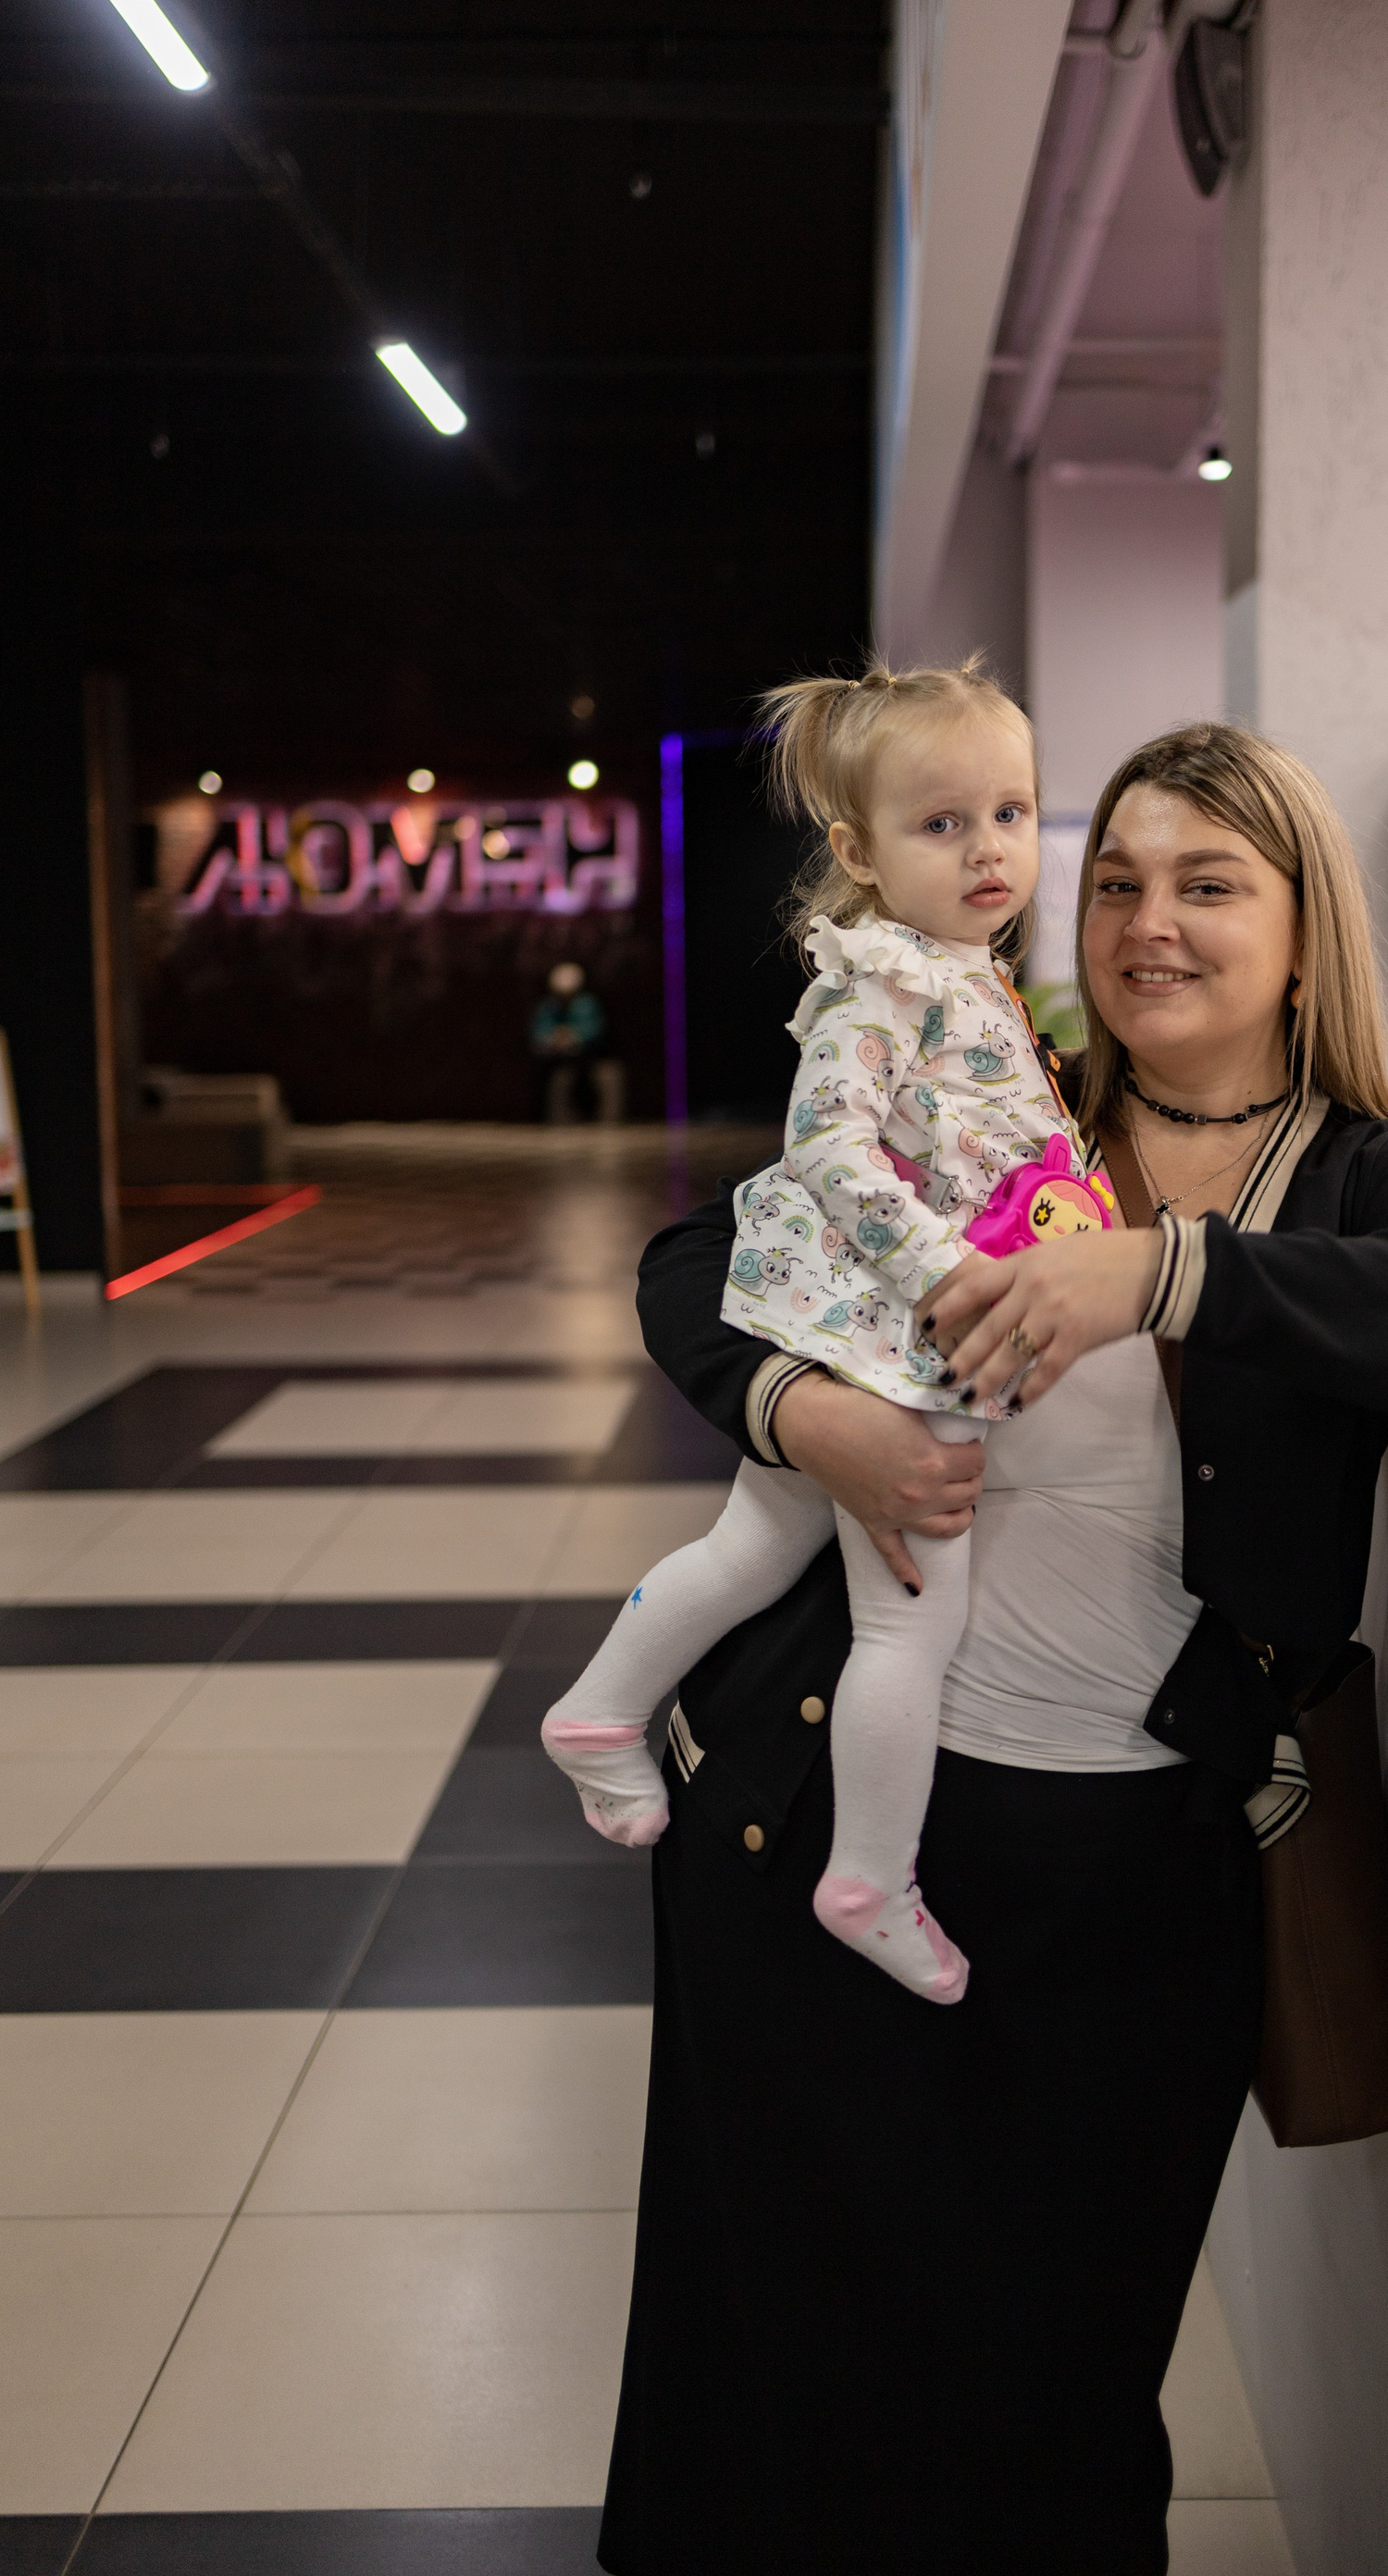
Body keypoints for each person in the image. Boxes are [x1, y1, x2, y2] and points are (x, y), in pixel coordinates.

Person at [598, 719, 1388, 2576]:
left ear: (1304, 928)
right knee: (782, 2379)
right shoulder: (1003, 1092)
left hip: (1133, 1881)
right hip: (820, 1830)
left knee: (1055, 2392)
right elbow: (699, 1260)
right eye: (1117, 880)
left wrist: (1163, 1269)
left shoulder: (1364, 1173)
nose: (1149, 924)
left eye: (1210, 884)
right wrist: (809, 1415)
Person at [542, 661, 1093, 2003]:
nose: (988, 850)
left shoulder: (967, 972)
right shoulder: (881, 980)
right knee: (909, 1628)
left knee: (751, 1547)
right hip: (893, 1341)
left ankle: (600, 1710)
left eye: (1011, 814)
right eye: (942, 823)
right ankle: (867, 1878)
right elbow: (828, 1147)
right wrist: (949, 1273)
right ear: (857, 853)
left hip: (873, 1330)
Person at [530, 960, 609, 1122]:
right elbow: (538, 1032)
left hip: (584, 1055)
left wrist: (574, 1037)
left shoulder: (587, 1005)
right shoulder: (548, 1006)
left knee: (588, 1073)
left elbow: (594, 1030)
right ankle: (545, 1118)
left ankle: (590, 1115)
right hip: (554, 1056)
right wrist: (553, 1039)